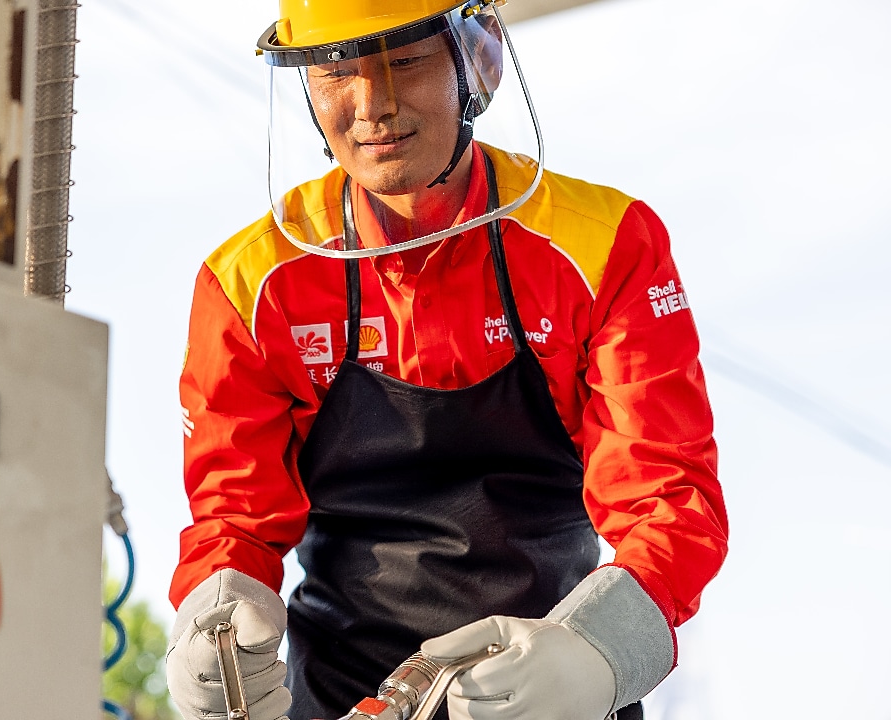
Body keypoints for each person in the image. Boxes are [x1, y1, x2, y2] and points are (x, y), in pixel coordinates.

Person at [166, 1, 729, 719]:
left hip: (552, 683)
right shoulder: (252, 285)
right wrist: (214, 609)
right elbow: (234, 517)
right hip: (341, 694)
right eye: (336, 71)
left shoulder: (607, 247)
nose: (373, 105)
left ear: (480, 58)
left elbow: (670, 501)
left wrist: (598, 651)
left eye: (404, 61)